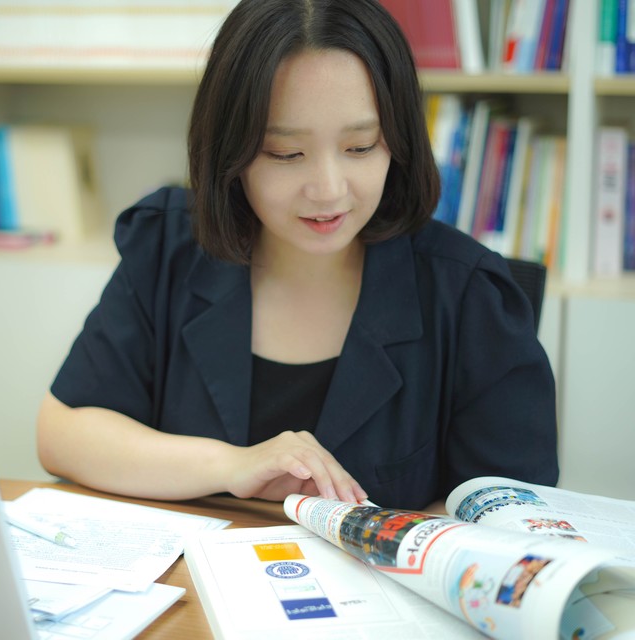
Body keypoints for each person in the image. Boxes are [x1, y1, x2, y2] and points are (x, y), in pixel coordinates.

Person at [37, 0, 558, 511]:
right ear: (231, 152)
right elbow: (63, 432)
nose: (328, 190)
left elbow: (510, 511)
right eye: (286, 154)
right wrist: (231, 465)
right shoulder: (169, 247)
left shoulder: (468, 295)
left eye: (360, 147)